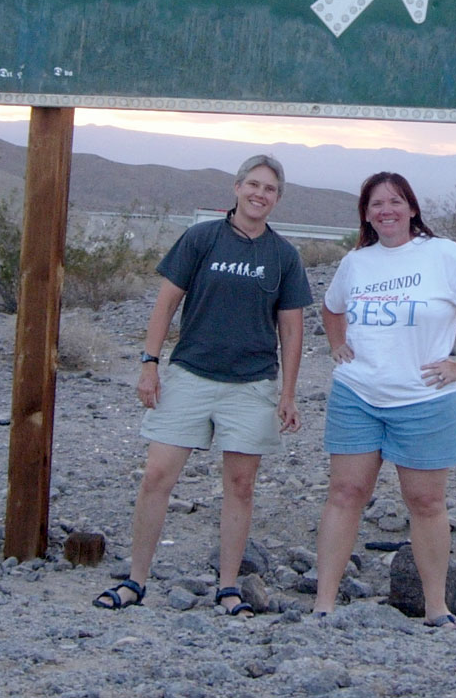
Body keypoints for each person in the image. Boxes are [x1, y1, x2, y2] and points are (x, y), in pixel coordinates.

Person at [93, 154, 312, 616]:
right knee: (157, 476)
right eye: (253, 184)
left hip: (251, 385)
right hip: (190, 374)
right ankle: (135, 581)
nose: (259, 194)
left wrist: (288, 393)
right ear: (236, 188)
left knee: (240, 484)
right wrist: (149, 363)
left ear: (278, 198)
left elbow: (291, 330)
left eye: (269, 189)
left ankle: (229, 587)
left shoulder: (283, 256)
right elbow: (166, 302)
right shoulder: (201, 239)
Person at [312, 171, 456, 627]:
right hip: (357, 395)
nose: (387, 211)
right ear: (366, 214)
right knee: (345, 493)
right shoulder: (356, 262)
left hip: (425, 401)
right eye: (377, 204)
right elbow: (331, 305)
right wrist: (336, 343)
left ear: (412, 208)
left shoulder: (443, 255)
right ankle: (323, 603)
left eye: (396, 202)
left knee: (425, 503)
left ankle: (436, 607)